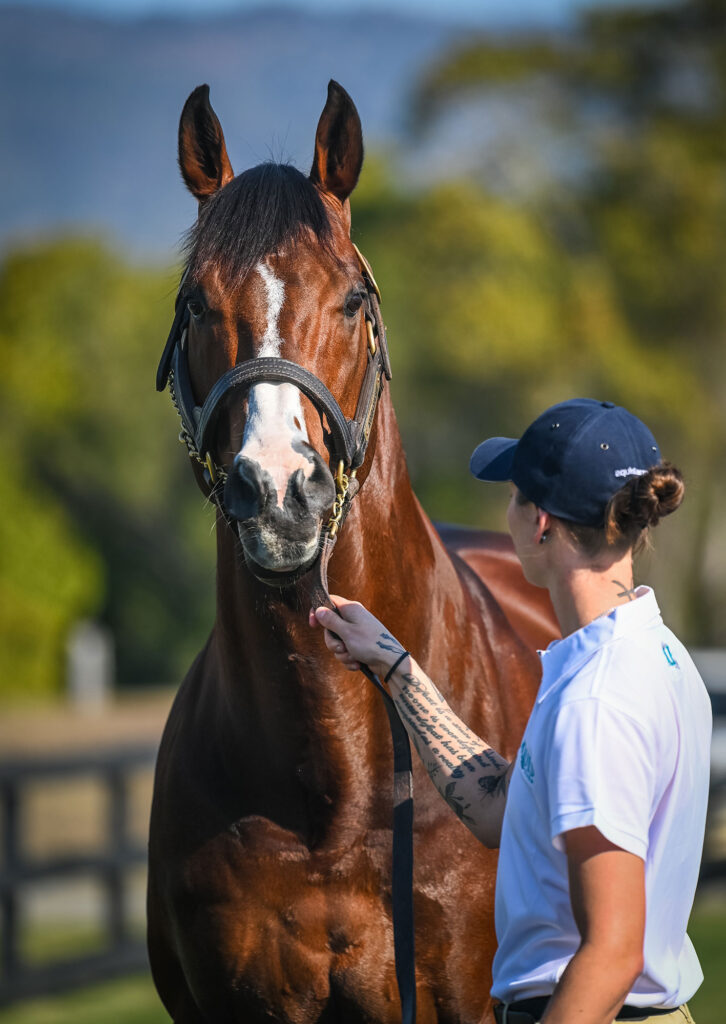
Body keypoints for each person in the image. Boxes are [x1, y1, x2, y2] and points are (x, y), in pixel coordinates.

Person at [309, 398, 712, 1024]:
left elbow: (611, 954)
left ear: (540, 522)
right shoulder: (654, 656)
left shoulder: (597, 701)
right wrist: (393, 664)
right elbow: (503, 809)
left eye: (514, 495)